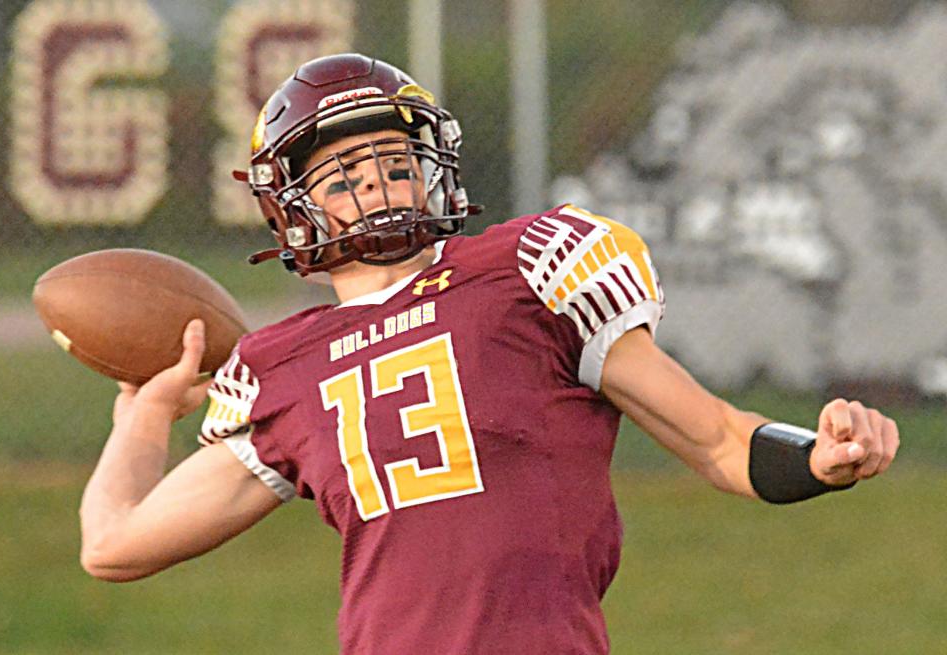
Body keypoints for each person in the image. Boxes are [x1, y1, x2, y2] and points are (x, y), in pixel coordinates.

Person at [79, 54, 899, 654]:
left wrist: (818, 457)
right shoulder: (283, 366)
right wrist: (144, 413)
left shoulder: (530, 270)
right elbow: (113, 544)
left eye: (393, 163)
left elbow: (718, 438)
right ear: (289, 209)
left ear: (430, 167)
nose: (374, 187)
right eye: (339, 177)